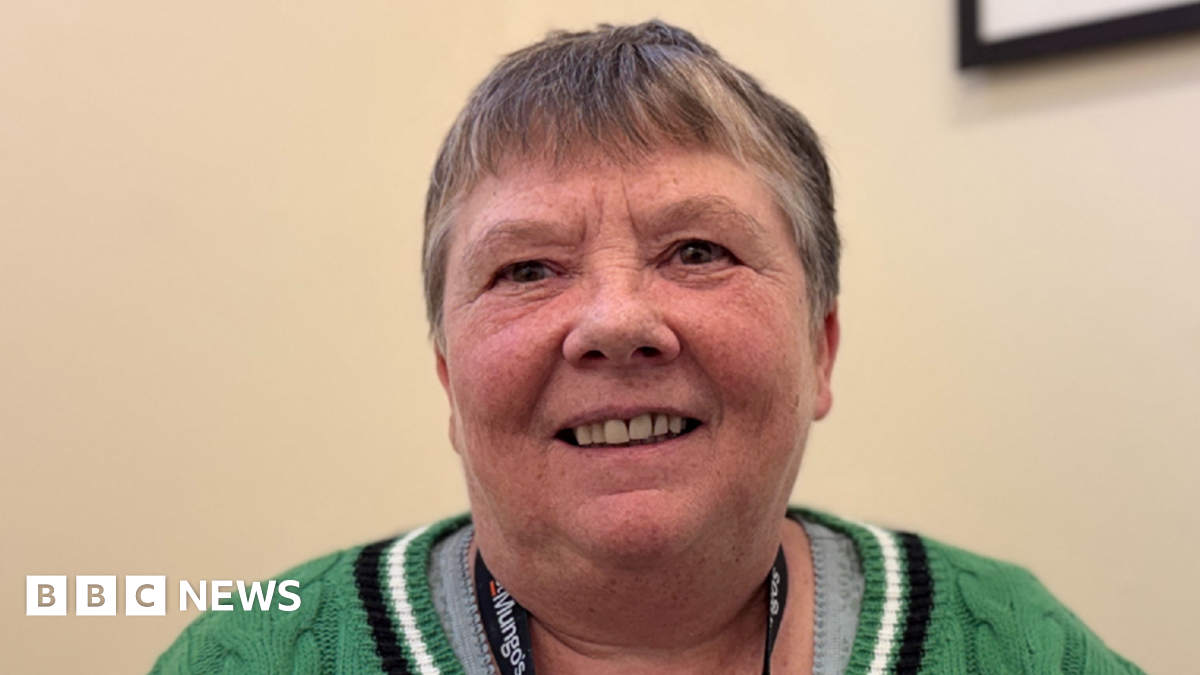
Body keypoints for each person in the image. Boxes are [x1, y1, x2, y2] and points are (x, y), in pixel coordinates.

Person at [150, 21, 1145, 675]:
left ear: (822, 349)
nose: (617, 321)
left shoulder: (1015, 645)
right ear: (450, 380)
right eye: (529, 269)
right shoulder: (258, 653)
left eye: (698, 251)